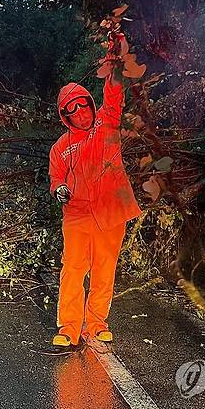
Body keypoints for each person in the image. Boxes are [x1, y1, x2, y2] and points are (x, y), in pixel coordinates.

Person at [48, 46, 141, 347]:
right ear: (65, 116)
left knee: (105, 268)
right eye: (71, 110)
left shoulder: (106, 124)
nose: (79, 113)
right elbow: (56, 178)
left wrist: (114, 59)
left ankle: (97, 323)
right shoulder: (61, 147)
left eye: (82, 105)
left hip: (111, 210)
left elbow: (114, 95)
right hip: (77, 215)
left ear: (90, 104)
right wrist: (59, 189)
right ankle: (69, 327)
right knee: (73, 268)